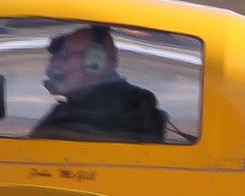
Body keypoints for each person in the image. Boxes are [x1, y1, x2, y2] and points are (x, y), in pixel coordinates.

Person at [30, 25, 168, 143]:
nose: (52, 67)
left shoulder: (99, 114)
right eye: (55, 58)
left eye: (65, 56)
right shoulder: (135, 102)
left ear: (96, 63)